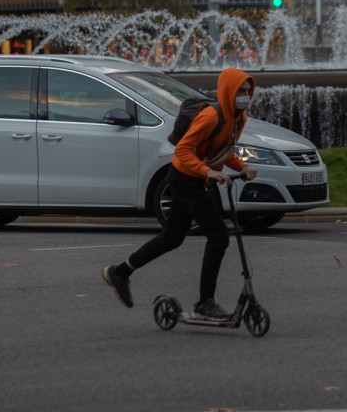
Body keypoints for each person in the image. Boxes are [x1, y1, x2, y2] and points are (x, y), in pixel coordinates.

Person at [101, 68, 258, 320]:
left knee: (173, 237)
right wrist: (209, 172)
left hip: (197, 179)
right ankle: (204, 304)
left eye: (248, 91)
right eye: (240, 90)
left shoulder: (240, 119)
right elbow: (183, 151)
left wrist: (243, 167)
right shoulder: (210, 116)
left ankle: (120, 272)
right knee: (218, 236)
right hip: (184, 178)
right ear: (228, 90)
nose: (245, 96)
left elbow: (223, 149)